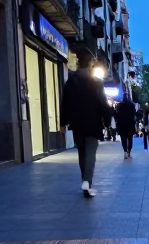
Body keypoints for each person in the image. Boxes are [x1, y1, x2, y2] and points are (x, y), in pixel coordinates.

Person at [59, 50, 113, 197]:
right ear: (91, 64)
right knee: (90, 154)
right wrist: (107, 122)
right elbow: (103, 104)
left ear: (78, 63)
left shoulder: (70, 81)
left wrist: (63, 123)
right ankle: (87, 181)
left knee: (82, 153)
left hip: (77, 123)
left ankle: (85, 180)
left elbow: (64, 103)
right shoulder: (96, 82)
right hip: (93, 123)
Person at [114, 94, 137, 159]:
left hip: (121, 125)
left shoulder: (119, 105)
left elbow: (117, 115)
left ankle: (125, 152)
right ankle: (129, 151)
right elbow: (134, 114)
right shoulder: (132, 105)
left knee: (123, 139)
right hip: (130, 124)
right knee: (130, 139)